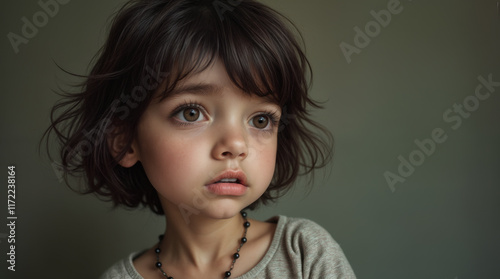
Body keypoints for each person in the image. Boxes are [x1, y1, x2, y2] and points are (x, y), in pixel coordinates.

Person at [43, 0, 356, 278]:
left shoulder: (304, 254)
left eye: (261, 120)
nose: (236, 144)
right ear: (124, 140)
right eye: (191, 113)